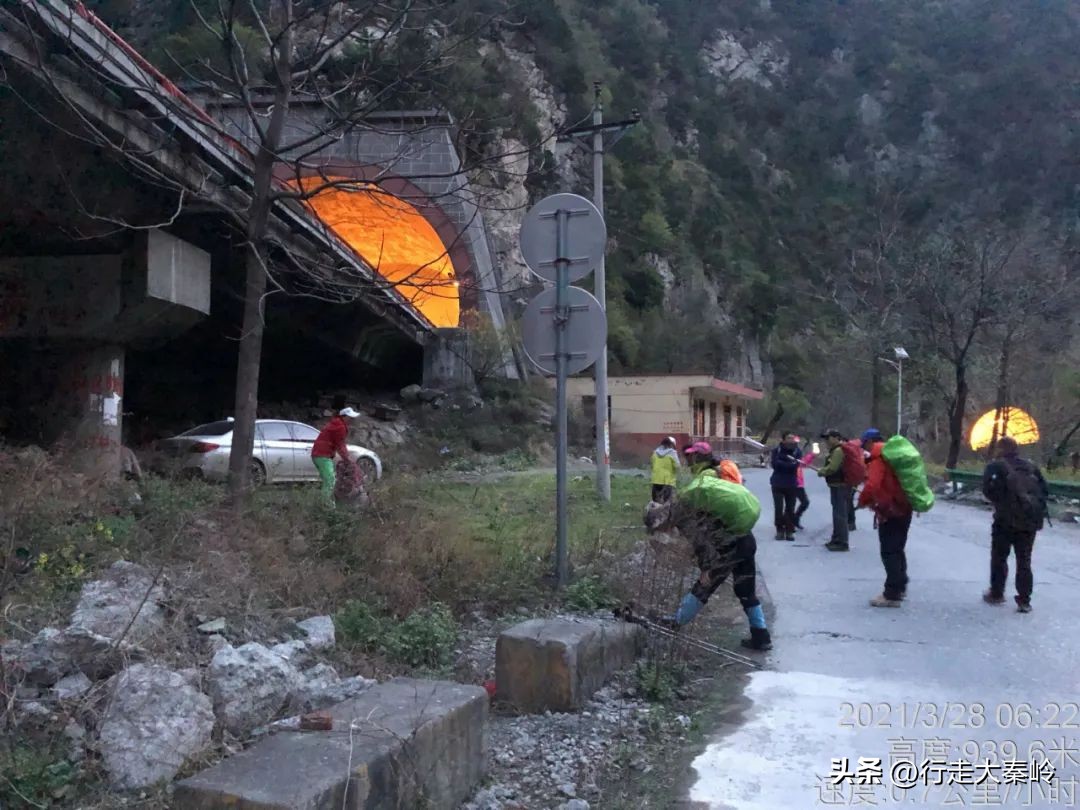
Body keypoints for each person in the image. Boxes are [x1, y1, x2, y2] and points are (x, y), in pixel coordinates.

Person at [655, 443, 771, 651]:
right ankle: (761, 636)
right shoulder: (717, 476)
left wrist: (707, 567)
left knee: (704, 586)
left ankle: (676, 623)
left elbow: (701, 541)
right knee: (746, 590)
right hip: (745, 538)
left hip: (728, 546)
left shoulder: (685, 511)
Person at [981, 436, 1049, 613]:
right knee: (1024, 560)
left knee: (999, 557)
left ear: (1000, 449)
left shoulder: (996, 466)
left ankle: (997, 593)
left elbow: (988, 490)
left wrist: (1001, 502)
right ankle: (1024, 600)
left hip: (1005, 519)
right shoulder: (1031, 466)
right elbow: (1045, 490)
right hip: (1029, 521)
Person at [857, 428, 911, 607]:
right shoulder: (894, 454)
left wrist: (862, 500)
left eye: (864, 444)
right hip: (905, 506)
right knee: (898, 548)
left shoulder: (879, 459)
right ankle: (901, 586)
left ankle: (891, 594)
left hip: (889, 510)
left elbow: (872, 485)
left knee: (889, 551)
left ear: (870, 442)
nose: (864, 448)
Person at [311, 402, 361, 501]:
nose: (352, 420)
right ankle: (326, 507)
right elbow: (340, 445)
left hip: (319, 455)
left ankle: (325, 502)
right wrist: (347, 459)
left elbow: (340, 444)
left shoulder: (335, 423)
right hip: (322, 456)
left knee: (328, 480)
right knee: (330, 480)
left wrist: (346, 457)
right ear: (344, 417)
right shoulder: (340, 427)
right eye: (350, 417)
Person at [817, 429, 851, 551]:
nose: (826, 440)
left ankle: (842, 542)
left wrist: (822, 471)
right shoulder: (836, 450)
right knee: (837, 513)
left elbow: (833, 468)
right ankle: (836, 539)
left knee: (839, 514)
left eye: (828, 438)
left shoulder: (838, 450)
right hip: (836, 485)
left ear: (836, 438)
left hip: (840, 486)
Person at [769, 432, 802, 541]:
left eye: (793, 438)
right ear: (783, 440)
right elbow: (775, 465)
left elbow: (795, 466)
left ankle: (789, 530)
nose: (791, 440)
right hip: (777, 483)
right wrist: (789, 464)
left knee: (790, 508)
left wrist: (783, 464)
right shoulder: (776, 451)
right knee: (778, 508)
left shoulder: (797, 451)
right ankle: (779, 529)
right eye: (789, 438)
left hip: (791, 483)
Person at [650, 436, 680, 502]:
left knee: (655, 501)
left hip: (656, 480)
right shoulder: (672, 453)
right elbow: (677, 466)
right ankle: (665, 512)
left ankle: (654, 512)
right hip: (668, 481)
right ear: (671, 444)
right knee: (667, 502)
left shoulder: (655, 453)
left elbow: (652, 465)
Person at [794, 437, 815, 530]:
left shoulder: (798, 455)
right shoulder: (790, 454)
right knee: (790, 504)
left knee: (805, 502)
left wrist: (813, 454)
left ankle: (795, 519)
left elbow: (804, 462)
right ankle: (790, 522)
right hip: (791, 483)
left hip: (799, 484)